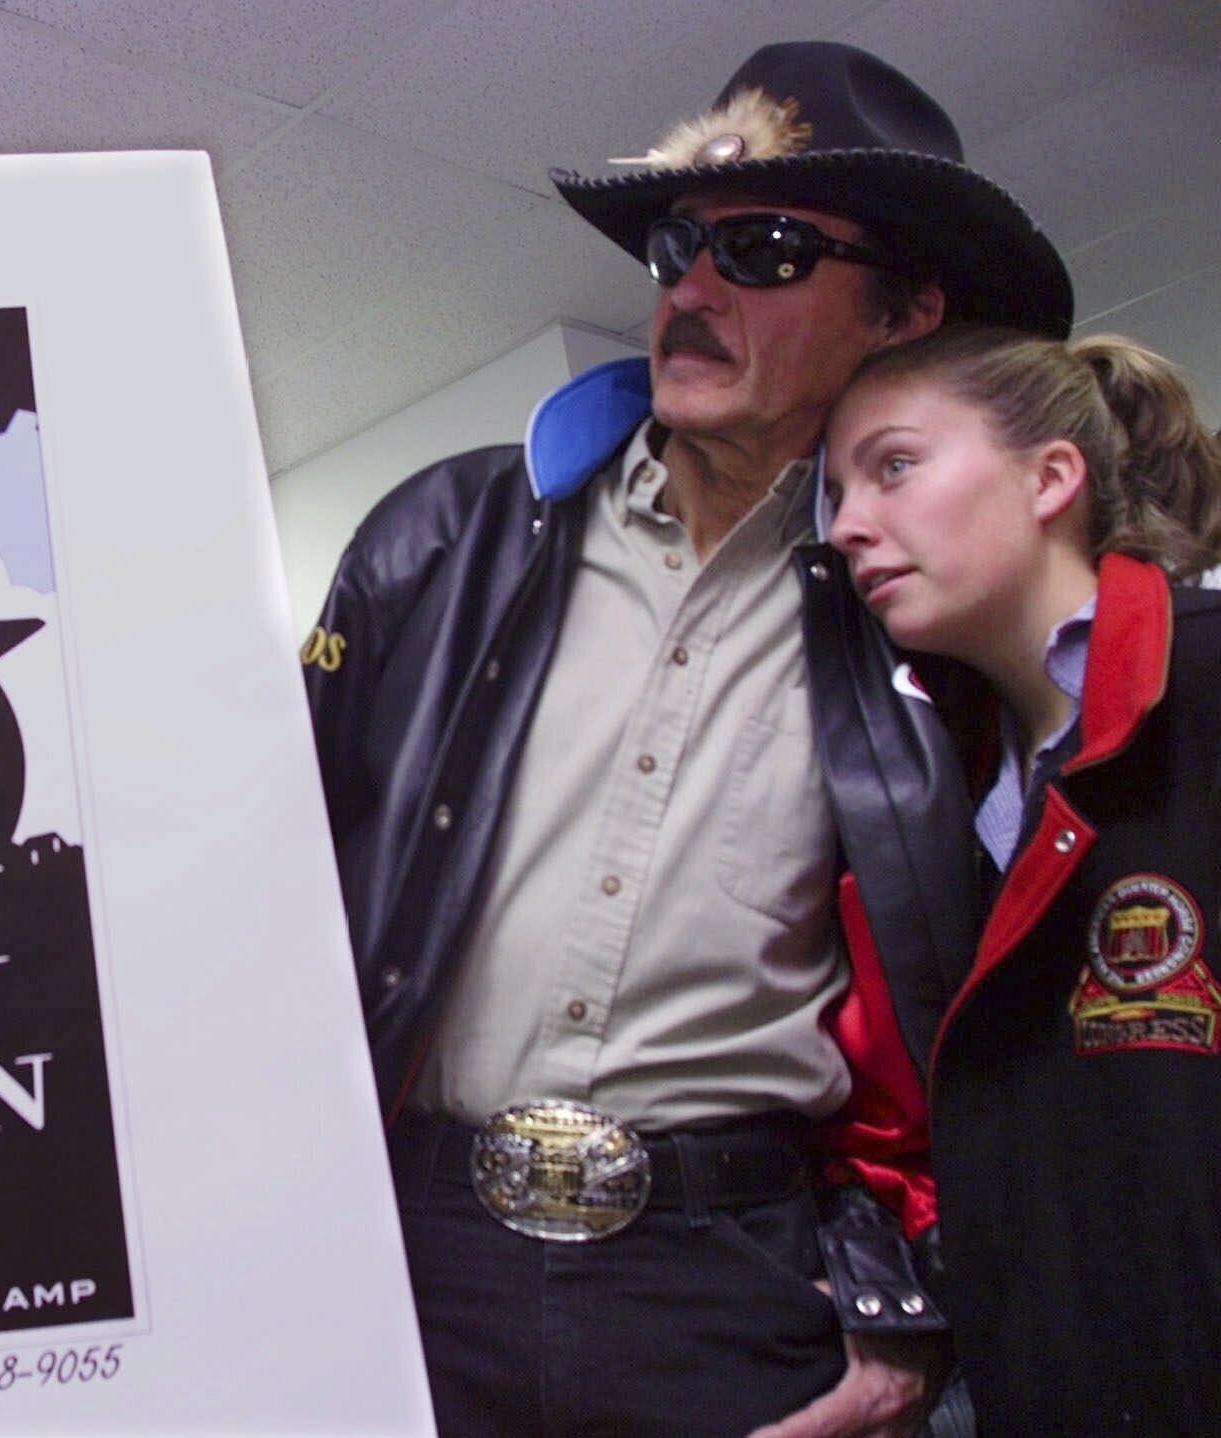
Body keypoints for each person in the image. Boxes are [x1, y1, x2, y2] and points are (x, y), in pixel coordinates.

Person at [302, 41, 1071, 1437]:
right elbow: (273, 880)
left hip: (726, 1285)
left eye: (764, 250)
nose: (691, 290)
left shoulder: (925, 611)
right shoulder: (451, 533)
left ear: (902, 313)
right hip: (406, 1248)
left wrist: (912, 1311)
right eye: (679, 245)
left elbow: (995, 1015)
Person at [823, 325, 1221, 1435]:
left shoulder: (1206, 680)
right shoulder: (942, 785)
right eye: (839, 489)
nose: (851, 523)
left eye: (894, 465)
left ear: (1052, 477)